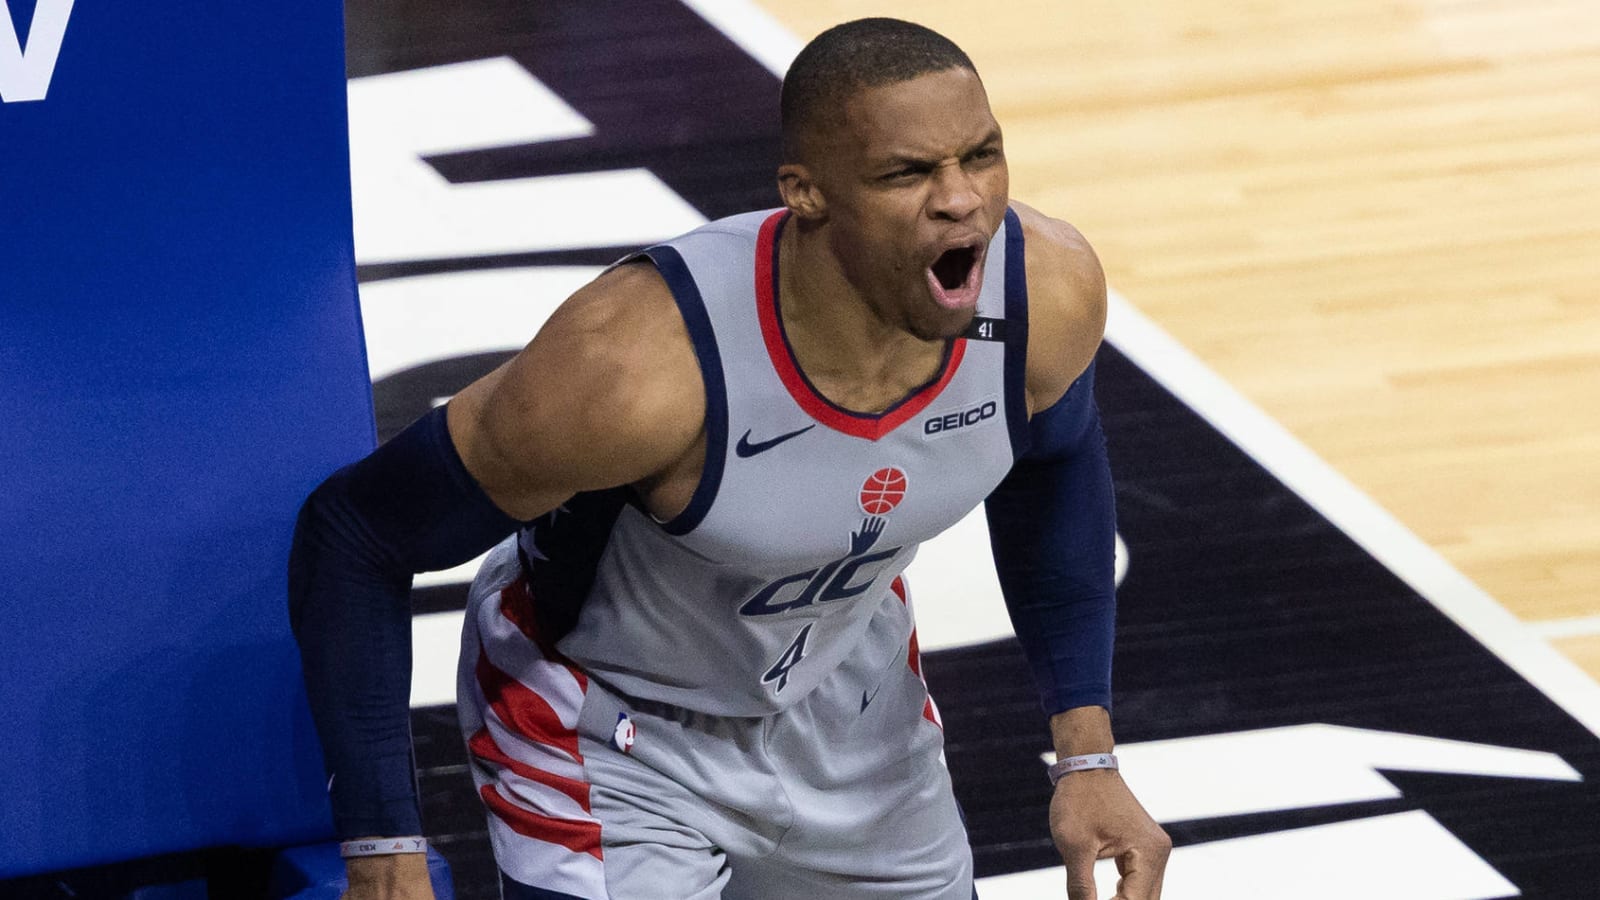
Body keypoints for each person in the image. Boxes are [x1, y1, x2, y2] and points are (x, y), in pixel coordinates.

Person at [289, 16, 1170, 900]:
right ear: (806, 192)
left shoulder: (1043, 296)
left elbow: (1055, 469)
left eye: (981, 157)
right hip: (607, 726)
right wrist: (382, 847)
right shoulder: (635, 367)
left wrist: (1085, 751)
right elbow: (356, 536)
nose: (963, 202)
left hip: (847, 705)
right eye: (908, 173)